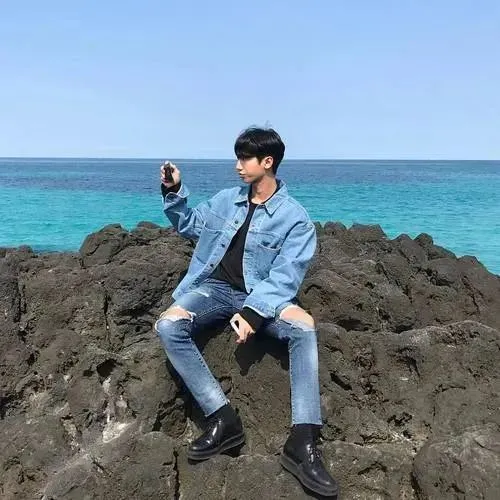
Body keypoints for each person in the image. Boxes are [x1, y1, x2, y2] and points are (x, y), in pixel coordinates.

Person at [155, 127, 338, 497]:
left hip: (262, 296)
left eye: (245, 158)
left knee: (304, 328)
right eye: (237, 158)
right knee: (168, 325)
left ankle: (303, 441)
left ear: (267, 162)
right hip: (214, 289)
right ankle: (223, 419)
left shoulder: (296, 219)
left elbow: (286, 276)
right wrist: (174, 190)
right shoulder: (226, 200)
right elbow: (189, 224)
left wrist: (254, 313)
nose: (238, 166)